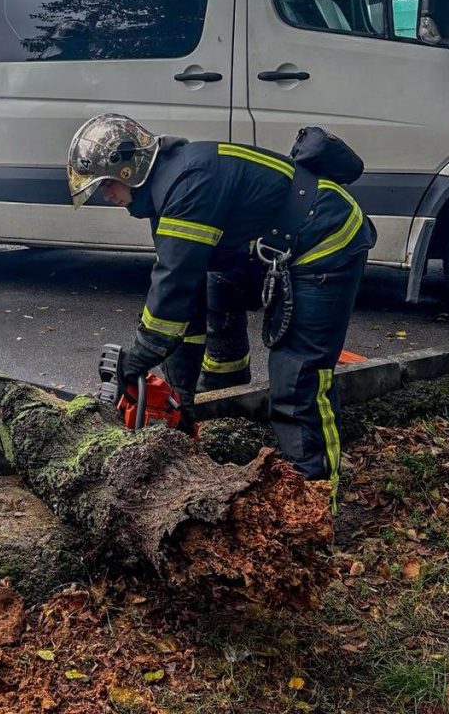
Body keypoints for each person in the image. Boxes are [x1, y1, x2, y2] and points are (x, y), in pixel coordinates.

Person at [67, 114, 376, 505]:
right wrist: (182, 399)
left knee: (298, 382)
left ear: (128, 169)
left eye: (106, 185)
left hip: (326, 240)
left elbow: (171, 293)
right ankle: (227, 395)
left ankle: (313, 505)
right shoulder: (167, 191)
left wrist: (136, 360)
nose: (105, 196)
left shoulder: (186, 187)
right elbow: (188, 299)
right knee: (214, 284)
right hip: (275, 247)